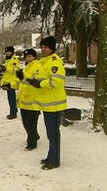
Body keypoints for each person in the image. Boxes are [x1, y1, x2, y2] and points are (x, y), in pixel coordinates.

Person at [26, 36, 67, 170]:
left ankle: (55, 161)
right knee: (51, 134)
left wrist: (40, 84)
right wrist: (33, 80)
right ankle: (51, 157)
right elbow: (41, 76)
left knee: (53, 134)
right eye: (42, 47)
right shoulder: (44, 61)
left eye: (46, 47)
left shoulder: (55, 62)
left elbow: (56, 81)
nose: (43, 49)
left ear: (52, 48)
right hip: (47, 104)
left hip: (54, 104)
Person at [15, 48, 42, 150]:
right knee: (25, 122)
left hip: (33, 100)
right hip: (24, 100)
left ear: (34, 57)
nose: (28, 58)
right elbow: (21, 83)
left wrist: (23, 77)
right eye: (26, 57)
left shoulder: (37, 66)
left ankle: (31, 143)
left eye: (30, 56)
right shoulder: (26, 67)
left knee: (31, 123)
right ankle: (34, 135)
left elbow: (35, 81)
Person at [0, 46, 21, 119]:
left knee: (11, 98)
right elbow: (7, 73)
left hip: (12, 82)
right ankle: (14, 110)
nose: (7, 53)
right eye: (6, 52)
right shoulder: (8, 60)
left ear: (12, 52)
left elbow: (15, 69)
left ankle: (13, 113)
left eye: (9, 51)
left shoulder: (14, 59)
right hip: (8, 81)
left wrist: (6, 68)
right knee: (10, 97)